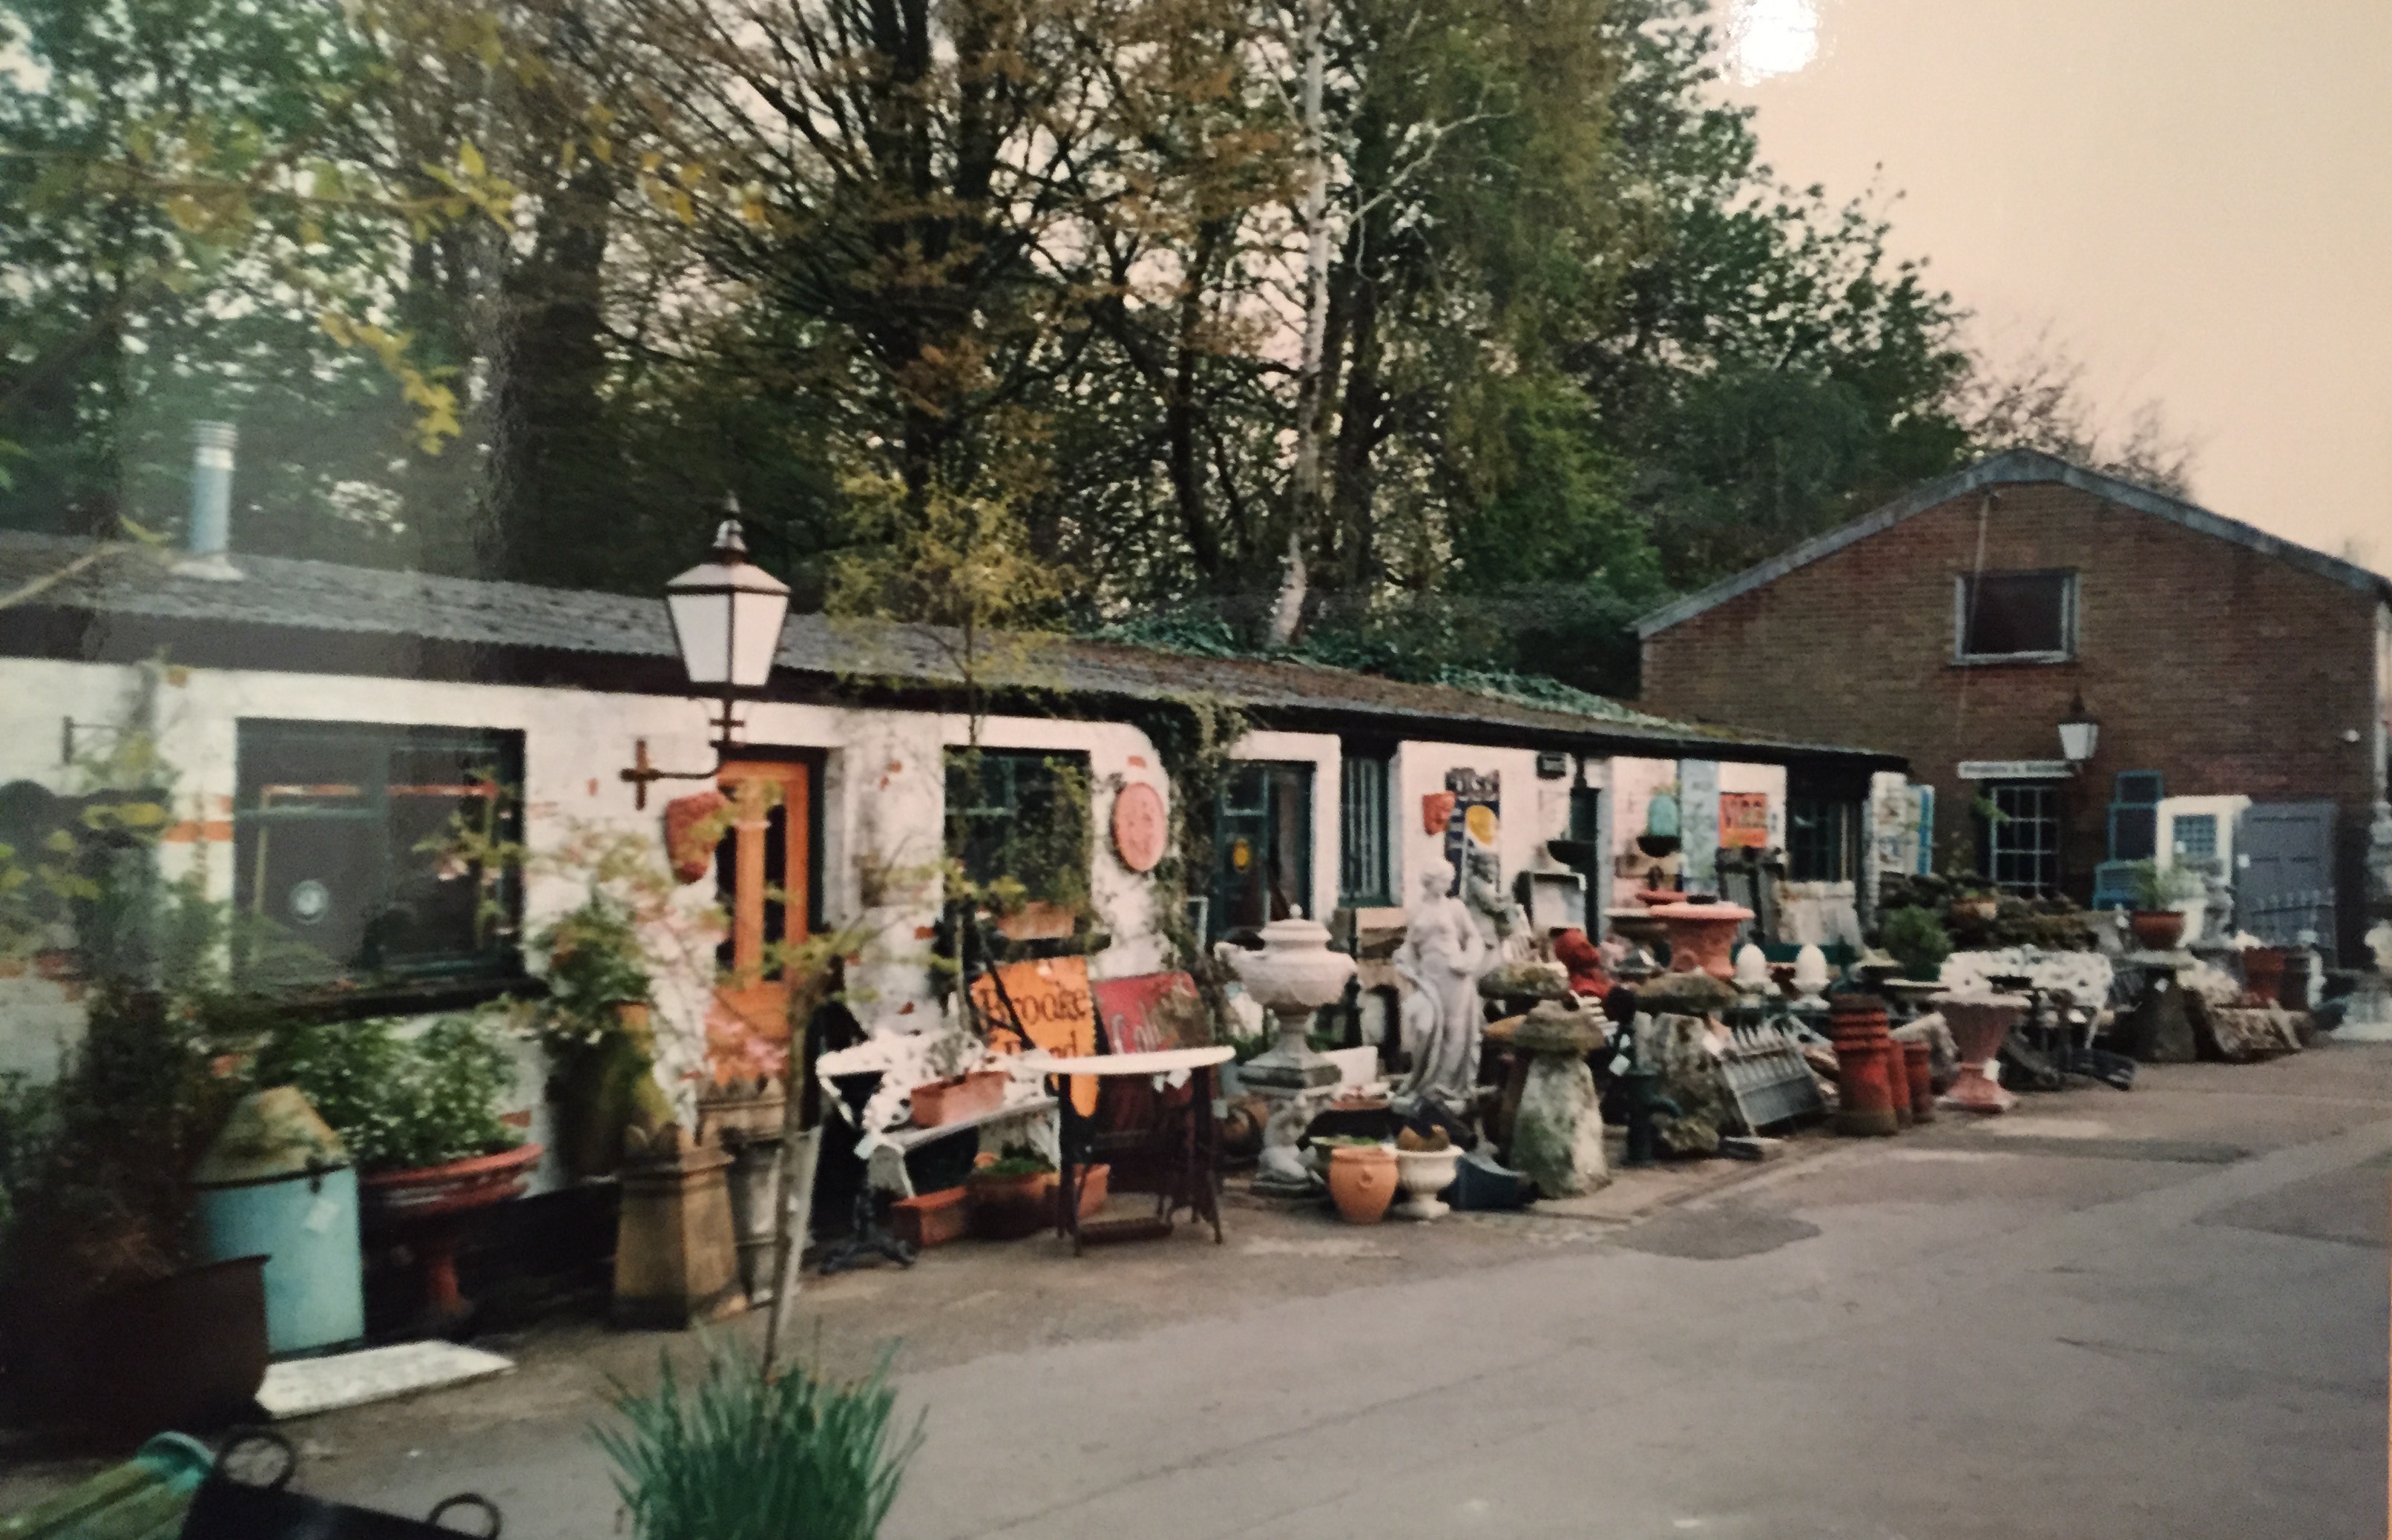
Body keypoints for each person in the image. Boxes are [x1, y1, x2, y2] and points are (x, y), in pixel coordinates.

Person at [1395, 857, 1488, 1111]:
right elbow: (1410, 946)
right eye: (1443, 880)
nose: (1448, 885)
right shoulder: (1417, 910)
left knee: (1453, 1029)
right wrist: (1403, 959)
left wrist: (1468, 961)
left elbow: (1474, 938)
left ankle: (1445, 1087)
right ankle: (1426, 1080)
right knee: (1425, 1029)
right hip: (1428, 977)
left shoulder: (1456, 908)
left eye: (1449, 880)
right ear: (1431, 881)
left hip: (1454, 974)